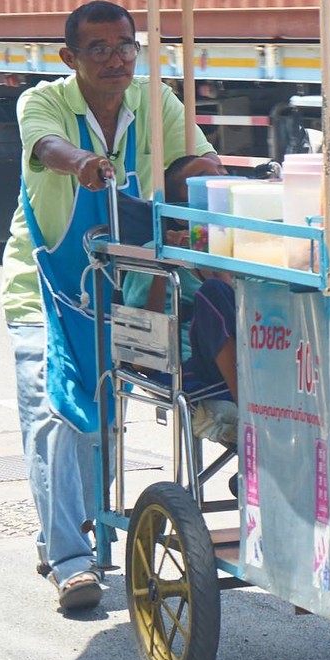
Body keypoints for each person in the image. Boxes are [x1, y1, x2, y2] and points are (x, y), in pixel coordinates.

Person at [1, 0, 217, 611]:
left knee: (100, 417)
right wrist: (86, 165)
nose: (116, 58)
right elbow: (47, 149)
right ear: (70, 58)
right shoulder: (42, 102)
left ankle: (68, 531)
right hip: (44, 285)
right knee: (53, 414)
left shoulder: (155, 100)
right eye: (98, 49)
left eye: (125, 45)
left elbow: (189, 160)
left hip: (121, 287)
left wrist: (216, 176)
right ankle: (70, 562)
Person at [120, 155, 240, 445]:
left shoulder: (242, 249)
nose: (216, 179)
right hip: (187, 364)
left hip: (251, 355)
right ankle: (251, 410)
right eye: (201, 178)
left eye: (221, 172)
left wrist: (215, 258)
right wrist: (167, 266)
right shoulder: (152, 254)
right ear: (179, 210)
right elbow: (141, 348)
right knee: (212, 293)